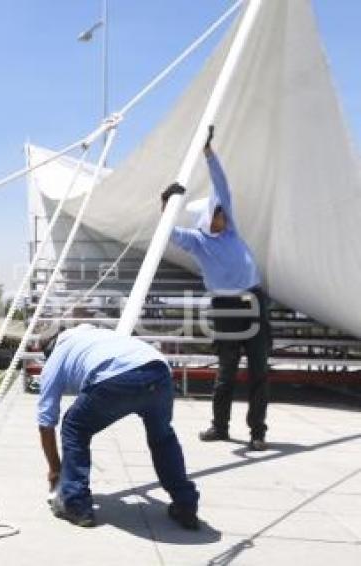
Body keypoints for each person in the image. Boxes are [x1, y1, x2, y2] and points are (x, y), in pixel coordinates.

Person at [162, 126, 271, 451]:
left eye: (223, 212)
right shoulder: (197, 241)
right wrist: (166, 203)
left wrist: (208, 151)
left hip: (253, 300)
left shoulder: (230, 230)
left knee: (258, 370)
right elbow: (169, 233)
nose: (223, 215)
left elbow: (222, 185)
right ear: (208, 218)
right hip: (225, 308)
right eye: (218, 213)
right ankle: (220, 426)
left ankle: (257, 432)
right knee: (226, 371)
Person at [37, 325, 200, 530]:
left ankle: (76, 505)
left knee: (74, 427)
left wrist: (55, 471)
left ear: (48, 349)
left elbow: (46, 422)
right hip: (159, 371)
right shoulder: (95, 334)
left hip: (116, 379)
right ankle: (185, 505)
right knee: (162, 438)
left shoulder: (57, 355)